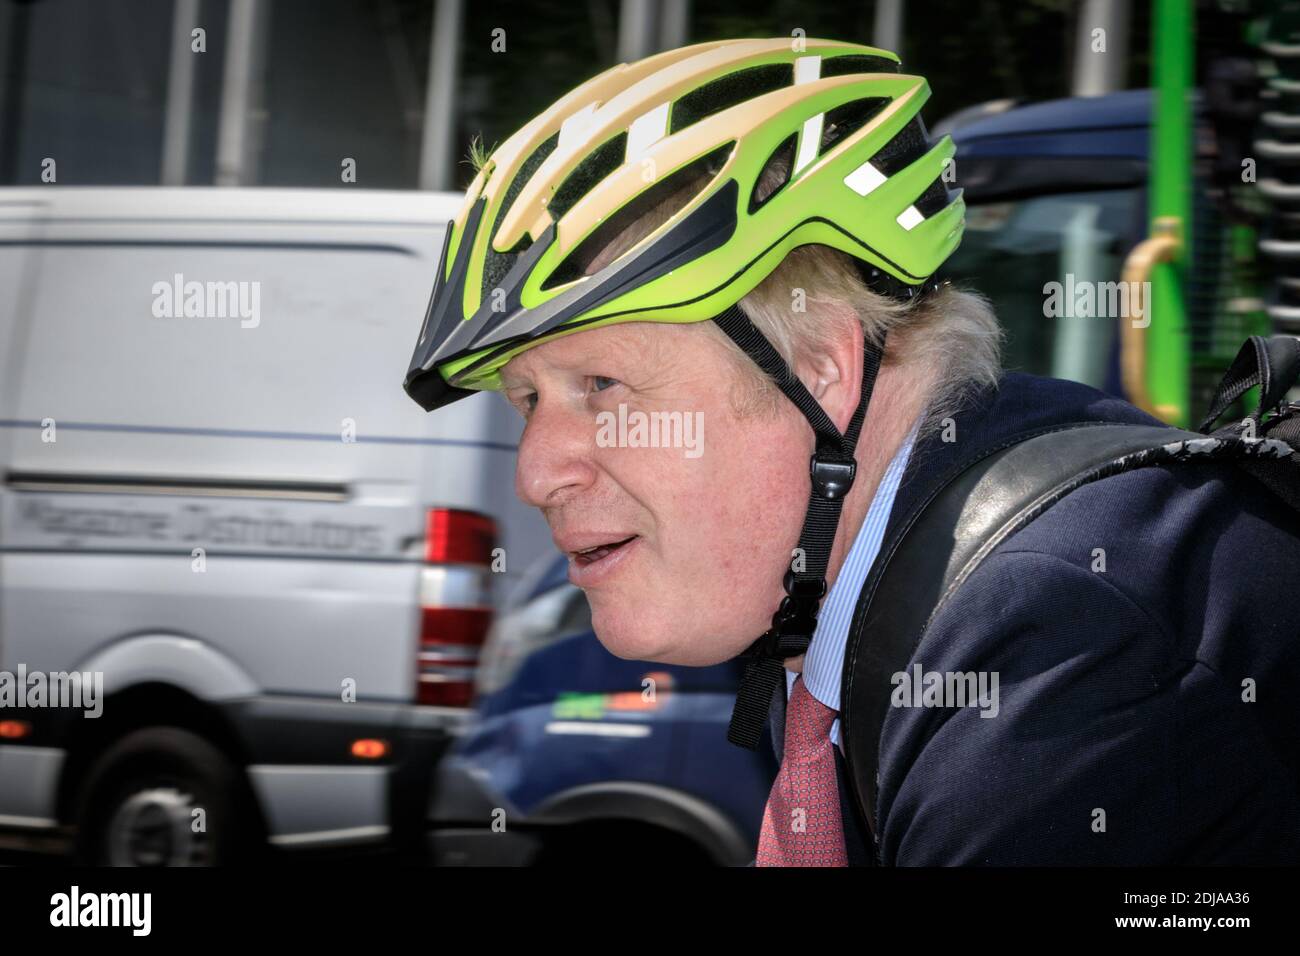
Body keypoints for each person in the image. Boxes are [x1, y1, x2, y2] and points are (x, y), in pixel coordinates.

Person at [404, 37, 1300, 865]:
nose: (536, 473)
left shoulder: (1058, 629)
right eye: (527, 400)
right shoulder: (872, 595)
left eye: (603, 387)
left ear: (823, 365)